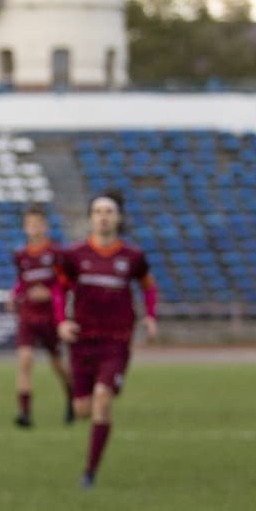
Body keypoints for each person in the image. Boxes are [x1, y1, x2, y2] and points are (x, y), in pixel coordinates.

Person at [54, 192, 158, 488]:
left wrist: (150, 316)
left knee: (102, 399)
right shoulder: (74, 256)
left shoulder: (133, 257)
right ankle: (101, 388)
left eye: (109, 211)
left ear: (118, 217)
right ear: (90, 218)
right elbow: (59, 289)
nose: (103, 216)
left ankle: (89, 472)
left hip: (116, 340)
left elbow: (149, 287)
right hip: (82, 341)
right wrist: (62, 322)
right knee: (82, 410)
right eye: (98, 211)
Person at [11, 204, 74, 427]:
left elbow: (64, 283)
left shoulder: (56, 254)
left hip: (50, 317)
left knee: (57, 364)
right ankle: (25, 413)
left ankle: (71, 396)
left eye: (38, 224)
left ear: (45, 226)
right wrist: (14, 296)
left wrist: (49, 293)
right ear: (25, 228)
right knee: (25, 361)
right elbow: (21, 282)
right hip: (28, 316)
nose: (34, 228)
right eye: (30, 225)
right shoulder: (20, 255)